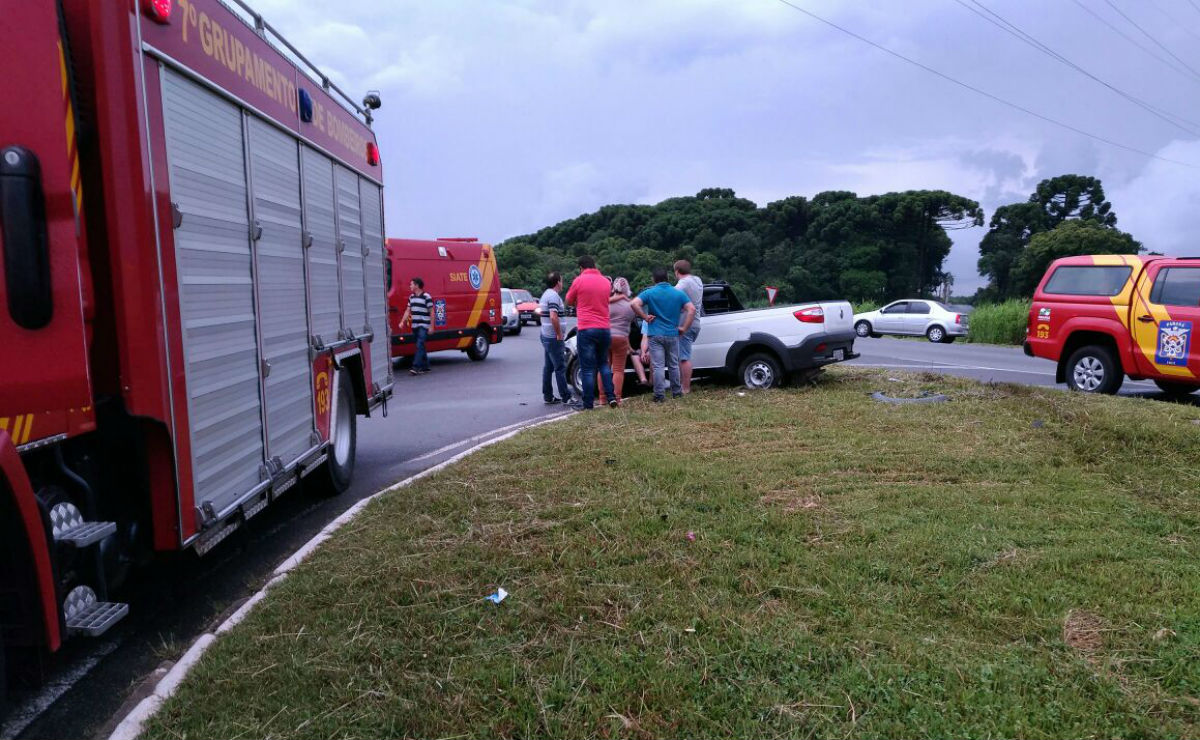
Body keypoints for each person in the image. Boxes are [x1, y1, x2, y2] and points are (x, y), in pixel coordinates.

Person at [631, 267, 696, 402]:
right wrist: (684, 327)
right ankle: (676, 393)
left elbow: (634, 303)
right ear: (668, 278)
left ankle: (659, 395)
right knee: (673, 364)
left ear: (654, 279)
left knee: (658, 365)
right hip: (672, 333)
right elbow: (692, 309)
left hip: (655, 334)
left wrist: (645, 317)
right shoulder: (677, 293)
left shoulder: (649, 292)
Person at [565, 255, 617, 409]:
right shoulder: (605, 282)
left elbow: (568, 300)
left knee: (587, 368)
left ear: (581, 268)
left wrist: (578, 301)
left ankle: (588, 403)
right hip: (604, 328)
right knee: (604, 364)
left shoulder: (579, 280)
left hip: (586, 328)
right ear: (595, 266)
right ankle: (611, 397)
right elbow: (606, 299)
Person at [599, 277, 636, 405]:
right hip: (621, 338)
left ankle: (603, 397)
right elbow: (629, 324)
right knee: (618, 370)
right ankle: (616, 398)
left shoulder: (606, 302)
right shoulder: (630, 306)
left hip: (605, 337)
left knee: (604, 367)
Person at [538, 271, 573, 406]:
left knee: (548, 367)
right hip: (553, 338)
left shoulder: (545, 294)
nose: (562, 283)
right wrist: (559, 334)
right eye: (562, 280)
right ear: (558, 282)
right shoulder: (553, 296)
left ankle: (548, 395)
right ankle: (566, 397)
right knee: (560, 367)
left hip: (546, 335)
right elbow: (553, 316)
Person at [674, 260, 705, 394]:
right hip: (696, 322)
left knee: (684, 357)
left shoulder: (683, 283)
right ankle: (683, 385)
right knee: (684, 354)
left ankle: (685, 388)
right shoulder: (697, 280)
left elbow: (671, 296)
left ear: (676, 271)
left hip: (686, 323)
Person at [399, 277, 433, 375]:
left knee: (419, 345)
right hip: (415, 326)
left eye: (411, 284)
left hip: (424, 325)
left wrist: (431, 326)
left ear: (417, 285)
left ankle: (416, 367)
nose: (410, 286)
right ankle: (426, 366)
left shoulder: (426, 297)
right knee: (421, 345)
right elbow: (407, 310)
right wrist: (402, 322)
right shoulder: (411, 297)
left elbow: (432, 312)